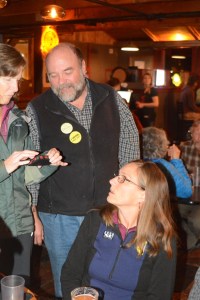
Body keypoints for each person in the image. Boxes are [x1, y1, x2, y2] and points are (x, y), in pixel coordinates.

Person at [26, 42, 140, 298]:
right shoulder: (36, 108)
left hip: (108, 211)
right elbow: (30, 166)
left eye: (67, 71)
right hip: (59, 217)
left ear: (84, 68)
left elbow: (130, 146)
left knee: (105, 279)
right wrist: (32, 212)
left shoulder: (110, 97)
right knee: (67, 282)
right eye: (53, 75)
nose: (61, 81)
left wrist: (131, 196)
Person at [61, 160, 177, 300]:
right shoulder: (95, 220)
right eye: (117, 176)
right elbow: (70, 273)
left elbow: (160, 296)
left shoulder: (162, 238)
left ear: (143, 195)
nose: (111, 181)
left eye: (123, 179)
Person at [0, 43, 67, 285]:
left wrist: (47, 163)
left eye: (17, 80)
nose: (16, 87)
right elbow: (8, 168)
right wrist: (5, 166)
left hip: (20, 224)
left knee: (18, 289)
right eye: (8, 79)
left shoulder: (19, 120)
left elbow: (24, 178)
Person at [142, 127, 192, 199]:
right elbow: (186, 192)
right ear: (160, 144)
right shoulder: (162, 165)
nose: (168, 142)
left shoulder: (137, 163)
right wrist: (176, 159)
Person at [179, 121, 200, 249]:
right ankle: (192, 244)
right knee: (175, 215)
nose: (198, 137)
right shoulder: (184, 147)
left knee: (196, 221)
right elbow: (176, 171)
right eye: (196, 133)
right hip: (188, 195)